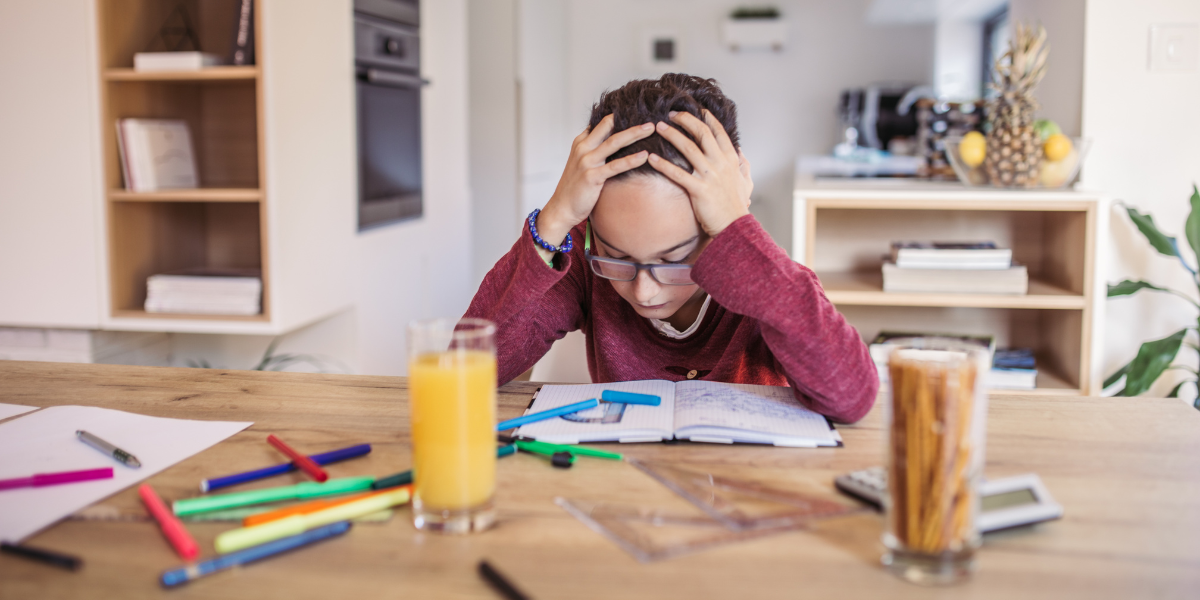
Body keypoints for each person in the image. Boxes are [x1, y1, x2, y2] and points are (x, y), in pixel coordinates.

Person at [464, 74, 877, 423]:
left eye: (676, 259)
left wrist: (737, 231)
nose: (644, 291)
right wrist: (553, 221)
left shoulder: (757, 271)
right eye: (617, 258)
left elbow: (852, 397)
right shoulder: (579, 255)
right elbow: (467, 373)